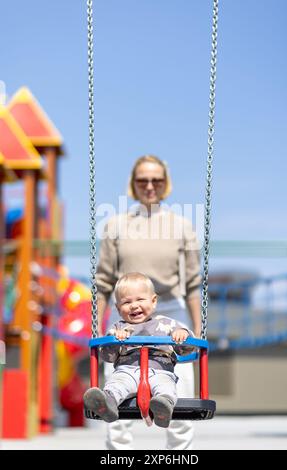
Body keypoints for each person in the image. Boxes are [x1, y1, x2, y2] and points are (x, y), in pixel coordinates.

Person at [95, 154, 201, 449]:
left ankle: (177, 453)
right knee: (115, 381)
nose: (150, 186)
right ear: (133, 184)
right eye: (143, 180)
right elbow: (103, 282)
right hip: (125, 315)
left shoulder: (182, 226)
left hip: (169, 310)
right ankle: (119, 453)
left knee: (181, 386)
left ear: (166, 184)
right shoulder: (115, 224)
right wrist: (98, 329)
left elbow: (193, 283)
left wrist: (198, 330)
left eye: (157, 180)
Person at [84, 272, 196, 428]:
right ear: (117, 308)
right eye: (126, 302)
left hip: (160, 370)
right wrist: (116, 340)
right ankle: (106, 405)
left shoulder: (167, 324)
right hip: (127, 370)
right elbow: (108, 356)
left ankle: (162, 407)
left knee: (166, 387)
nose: (134, 305)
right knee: (116, 385)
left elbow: (186, 349)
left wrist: (182, 335)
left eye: (140, 299)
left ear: (154, 301)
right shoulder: (118, 328)